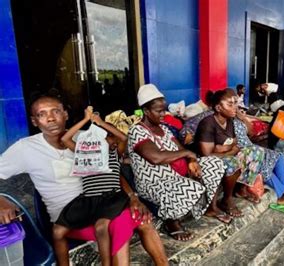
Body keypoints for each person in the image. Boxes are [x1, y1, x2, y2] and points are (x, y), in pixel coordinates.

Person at [0, 95, 168, 265]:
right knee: (118, 224)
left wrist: (133, 197)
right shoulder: (25, 148)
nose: (50, 118)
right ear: (34, 121)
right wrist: (2, 201)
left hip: (102, 202)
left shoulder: (86, 139)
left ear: (65, 114)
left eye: (55, 111)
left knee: (142, 219)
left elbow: (111, 172)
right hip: (69, 217)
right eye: (42, 114)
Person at [128, 84, 225, 241]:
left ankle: (200, 208)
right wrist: (188, 153)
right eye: (159, 111)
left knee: (214, 164)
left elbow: (180, 148)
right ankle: (171, 220)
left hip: (176, 177)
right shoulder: (137, 131)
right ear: (146, 111)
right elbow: (156, 157)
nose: (163, 114)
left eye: (164, 109)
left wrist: (192, 160)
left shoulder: (164, 129)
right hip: (153, 183)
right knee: (191, 187)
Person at [196, 89, 284, 209]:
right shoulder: (209, 121)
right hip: (225, 155)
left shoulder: (231, 118)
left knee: (276, 156)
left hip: (240, 149)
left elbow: (245, 136)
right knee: (259, 159)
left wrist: (241, 119)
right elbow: (210, 152)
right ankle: (283, 194)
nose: (235, 106)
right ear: (218, 107)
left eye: (236, 103)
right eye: (231, 103)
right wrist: (228, 149)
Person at [52, 106, 132, 266]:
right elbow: (65, 139)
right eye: (104, 136)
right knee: (57, 231)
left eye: (110, 136)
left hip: (110, 197)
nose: (108, 139)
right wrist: (86, 120)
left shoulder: (114, 153)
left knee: (101, 227)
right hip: (87, 200)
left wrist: (100, 123)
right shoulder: (84, 151)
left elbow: (123, 138)